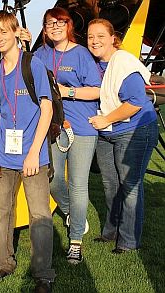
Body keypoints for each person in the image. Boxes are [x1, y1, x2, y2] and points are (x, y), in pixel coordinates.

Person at [0, 11, 55, 293]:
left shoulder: (33, 65)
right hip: (3, 156)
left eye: (3, 31)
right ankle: (2, 263)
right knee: (2, 213)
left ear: (15, 32)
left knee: (39, 215)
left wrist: (34, 151)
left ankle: (43, 274)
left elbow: (46, 109)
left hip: (33, 156)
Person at [21, 7, 101, 264]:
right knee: (53, 180)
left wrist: (68, 93)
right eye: (49, 23)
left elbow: (96, 91)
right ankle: (70, 213)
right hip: (54, 127)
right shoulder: (40, 54)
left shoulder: (82, 55)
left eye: (60, 22)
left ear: (69, 26)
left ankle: (75, 240)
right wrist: (22, 45)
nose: (55, 27)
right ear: (44, 29)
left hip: (82, 128)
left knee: (78, 183)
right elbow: (26, 76)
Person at [88, 18, 158, 253]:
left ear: (112, 38)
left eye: (100, 36)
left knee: (129, 185)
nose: (94, 41)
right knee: (110, 184)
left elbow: (137, 102)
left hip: (135, 129)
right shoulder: (97, 64)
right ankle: (110, 231)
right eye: (90, 37)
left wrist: (106, 119)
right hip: (108, 132)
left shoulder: (123, 62)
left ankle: (128, 241)